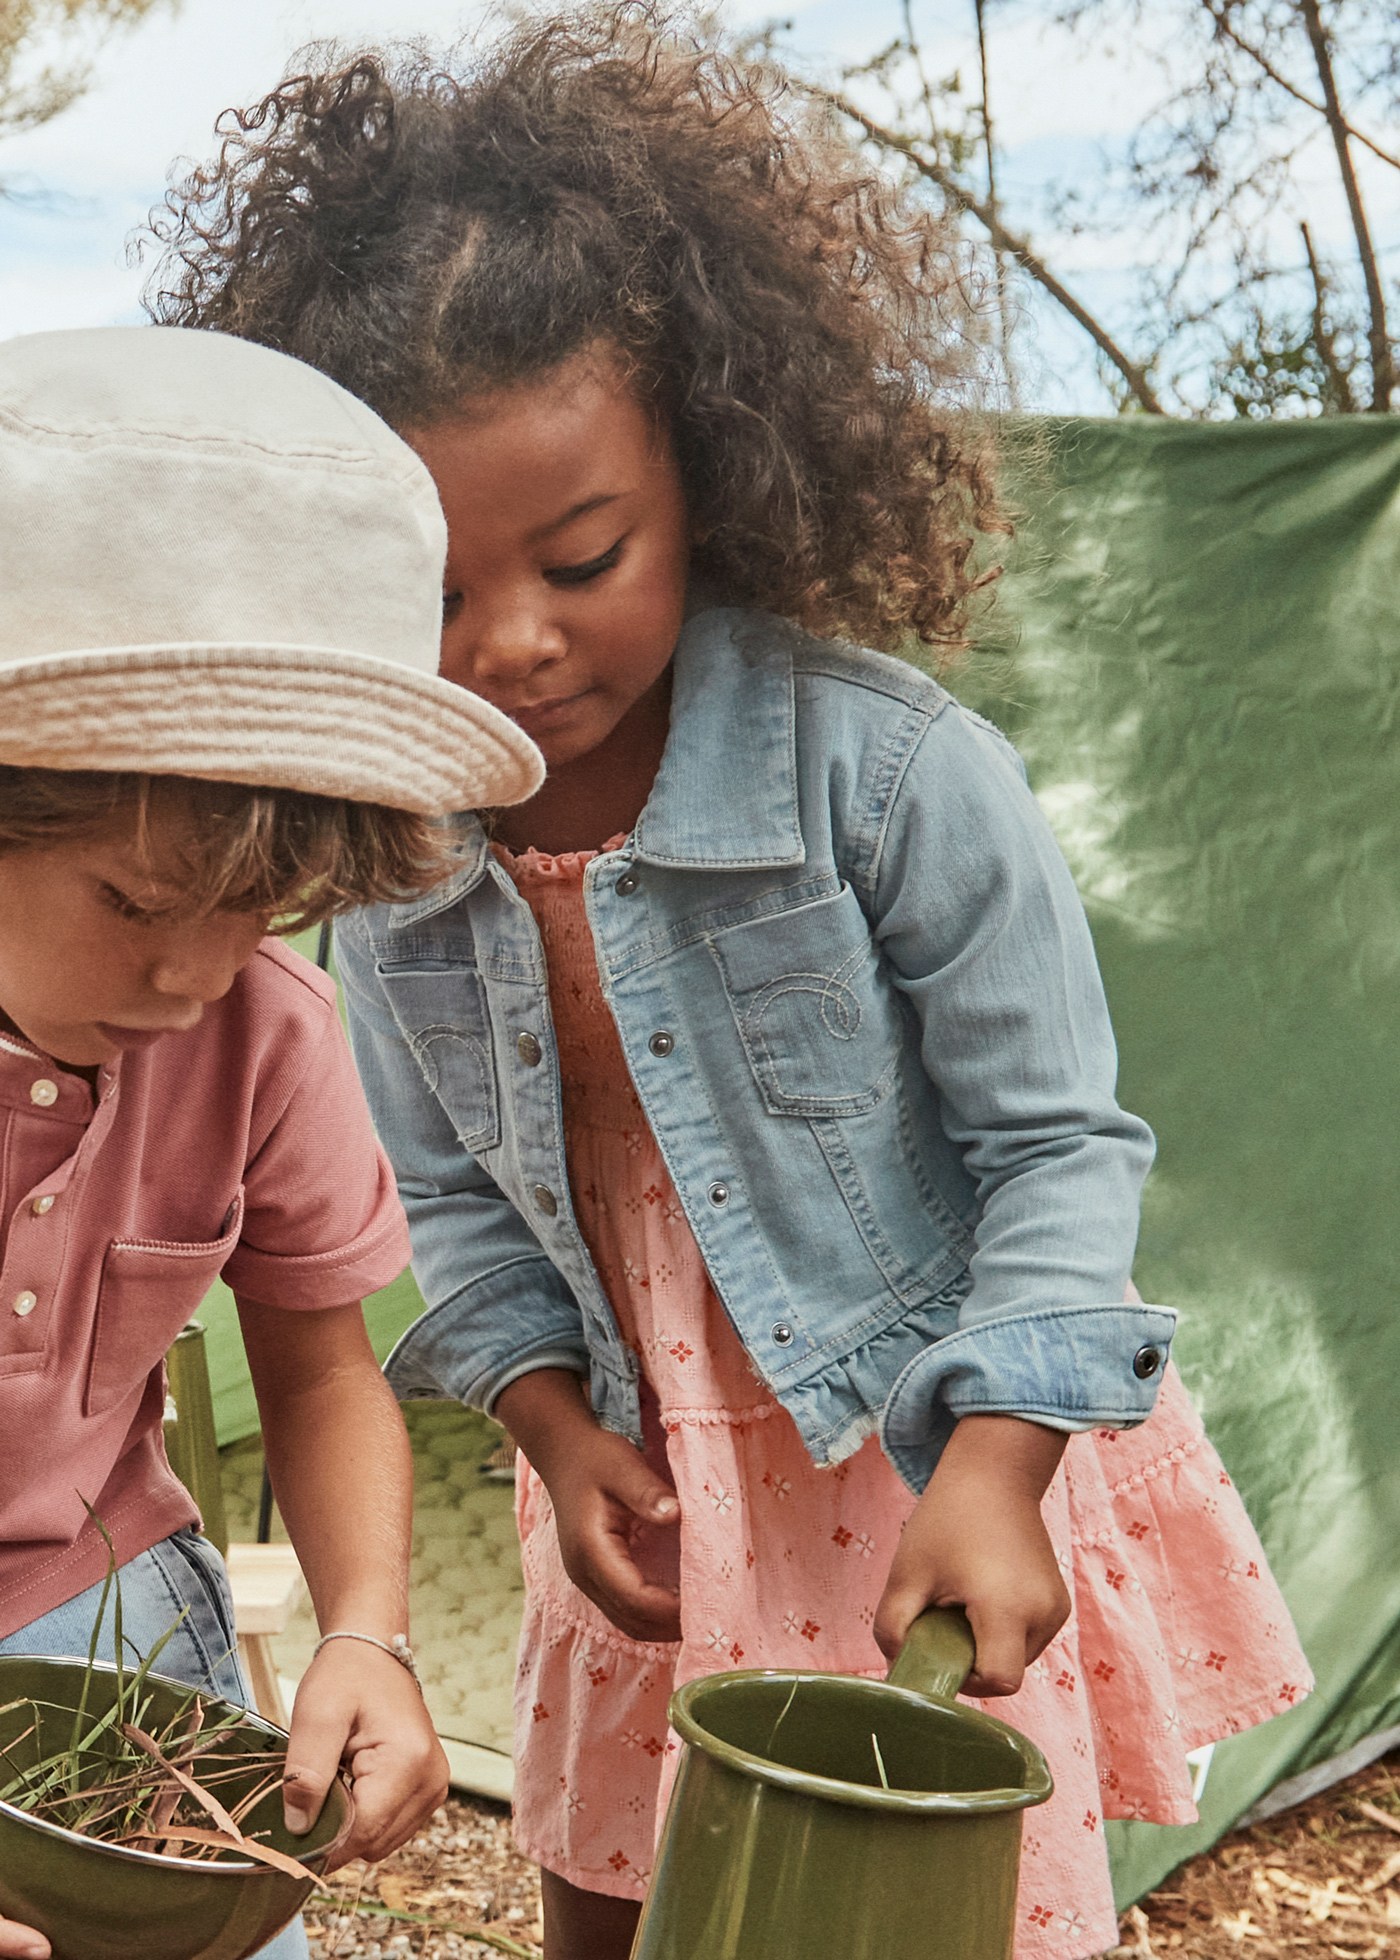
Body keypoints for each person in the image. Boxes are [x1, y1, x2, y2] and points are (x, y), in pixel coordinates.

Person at [148, 13, 1312, 1957]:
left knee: (927, 1912)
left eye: (583, 553)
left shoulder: (888, 777)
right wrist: (539, 1417)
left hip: (921, 1464)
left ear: (712, 466)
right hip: (647, 1468)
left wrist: (1001, 1460)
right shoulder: (401, 853)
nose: (510, 640)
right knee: (613, 1889)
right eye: (429, 588)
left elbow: (1056, 1148)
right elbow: (450, 1194)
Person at [0, 323, 543, 1960]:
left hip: (106, 1610)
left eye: (254, 918)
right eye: (136, 903)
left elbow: (321, 1373)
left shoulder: (270, 1036)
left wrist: (370, 1630)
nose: (183, 978)